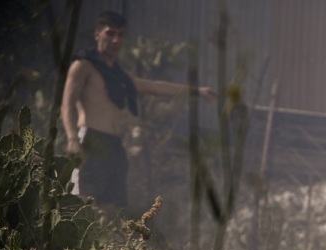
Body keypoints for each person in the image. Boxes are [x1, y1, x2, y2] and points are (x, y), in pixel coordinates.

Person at [61, 10, 215, 211]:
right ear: (97, 34)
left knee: (108, 211)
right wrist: (72, 138)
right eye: (110, 33)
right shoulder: (83, 66)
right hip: (91, 140)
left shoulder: (119, 74)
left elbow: (155, 87)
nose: (116, 40)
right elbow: (67, 104)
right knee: (83, 207)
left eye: (120, 35)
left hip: (114, 145)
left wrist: (198, 91)